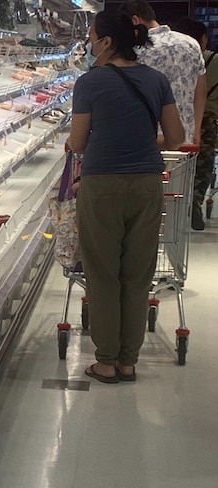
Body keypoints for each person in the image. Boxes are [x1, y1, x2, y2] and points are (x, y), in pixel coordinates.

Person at [69, 10, 185, 384]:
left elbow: (79, 142)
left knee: (103, 274)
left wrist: (84, 142)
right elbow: (176, 137)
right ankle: (128, 361)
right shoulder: (156, 80)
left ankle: (105, 361)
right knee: (137, 275)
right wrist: (141, 142)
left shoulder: (90, 83)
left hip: (102, 184)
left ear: (106, 42)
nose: (89, 45)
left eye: (91, 38)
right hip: (148, 183)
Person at [121, 1, 206, 149]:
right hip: (185, 138)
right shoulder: (191, 43)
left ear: (135, 21)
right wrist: (195, 130)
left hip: (147, 140)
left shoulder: (136, 51)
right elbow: (200, 91)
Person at [172, 17, 217, 230]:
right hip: (208, 118)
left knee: (175, 161)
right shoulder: (214, 60)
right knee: (204, 164)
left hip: (175, 115)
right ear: (204, 39)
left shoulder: (175, 57)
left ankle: (173, 202)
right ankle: (196, 201)